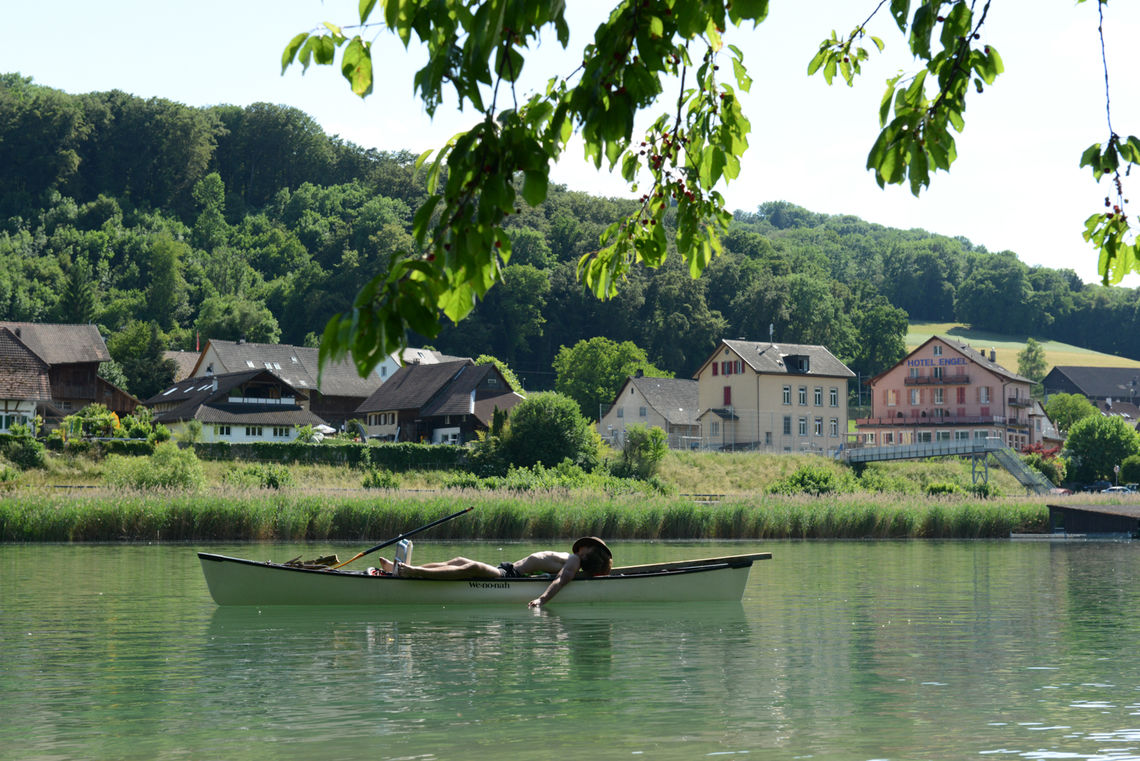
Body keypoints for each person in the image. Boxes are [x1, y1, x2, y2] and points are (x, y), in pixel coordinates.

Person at [376, 537, 613, 608]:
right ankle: (407, 570)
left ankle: (411, 572)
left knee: (472, 567)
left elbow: (562, 580)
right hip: (509, 569)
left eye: (588, 546)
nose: (583, 545)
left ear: (589, 554)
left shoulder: (574, 561)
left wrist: (541, 600)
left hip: (510, 577)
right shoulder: (573, 559)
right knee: (459, 560)